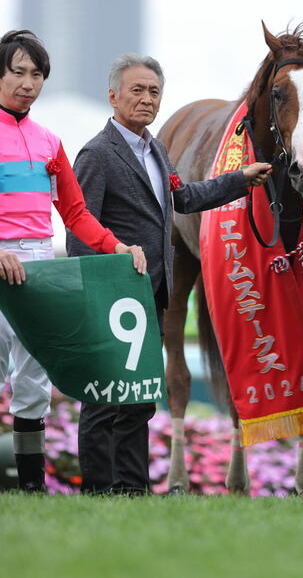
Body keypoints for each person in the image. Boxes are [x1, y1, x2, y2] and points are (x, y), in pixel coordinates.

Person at [66, 52, 272, 495]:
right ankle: (99, 493)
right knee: (104, 398)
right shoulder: (97, 153)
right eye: (136, 90)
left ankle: (132, 490)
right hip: (111, 295)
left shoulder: (156, 150)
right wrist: (98, 288)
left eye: (154, 92)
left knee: (139, 398)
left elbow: (186, 198)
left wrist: (241, 179)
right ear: (113, 96)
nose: (146, 99)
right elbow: (80, 226)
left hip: (150, 295)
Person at [0, 30, 147, 492]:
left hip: (40, 270)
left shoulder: (49, 141)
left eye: (37, 74)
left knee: (33, 382)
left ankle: (31, 492)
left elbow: (76, 213)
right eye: (18, 72)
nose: (28, 83)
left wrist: (118, 247)